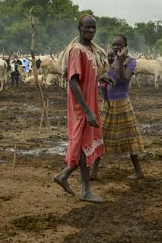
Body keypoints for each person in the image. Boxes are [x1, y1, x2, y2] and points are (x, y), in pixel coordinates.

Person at [53, 14, 110, 203]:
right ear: (79, 28)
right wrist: (86, 110)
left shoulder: (90, 50)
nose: (91, 31)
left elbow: (86, 76)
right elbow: (74, 81)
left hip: (89, 101)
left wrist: (100, 78)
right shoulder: (77, 50)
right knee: (85, 144)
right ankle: (85, 190)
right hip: (81, 105)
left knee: (83, 143)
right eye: (87, 28)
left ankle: (64, 176)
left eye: (94, 28)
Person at [92, 34, 144, 180]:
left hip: (122, 102)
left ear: (125, 46)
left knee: (129, 136)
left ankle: (138, 171)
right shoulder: (108, 61)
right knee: (101, 136)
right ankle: (94, 171)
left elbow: (124, 79)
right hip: (108, 103)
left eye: (119, 45)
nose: (116, 47)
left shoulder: (131, 61)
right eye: (114, 45)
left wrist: (120, 62)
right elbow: (103, 82)